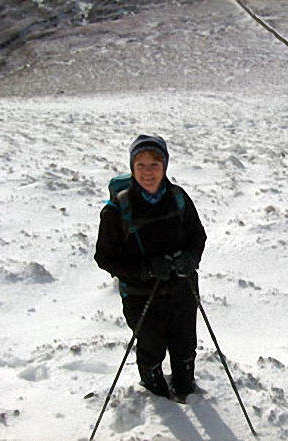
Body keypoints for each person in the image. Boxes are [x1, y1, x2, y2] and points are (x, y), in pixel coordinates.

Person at [94, 135, 207, 399]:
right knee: (151, 347)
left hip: (182, 289)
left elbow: (197, 236)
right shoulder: (117, 209)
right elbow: (105, 258)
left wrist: (190, 258)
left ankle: (186, 389)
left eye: (155, 165)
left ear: (165, 166)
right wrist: (146, 269)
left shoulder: (179, 198)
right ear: (132, 168)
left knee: (185, 345)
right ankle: (156, 395)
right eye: (141, 165)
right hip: (141, 296)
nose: (148, 172)